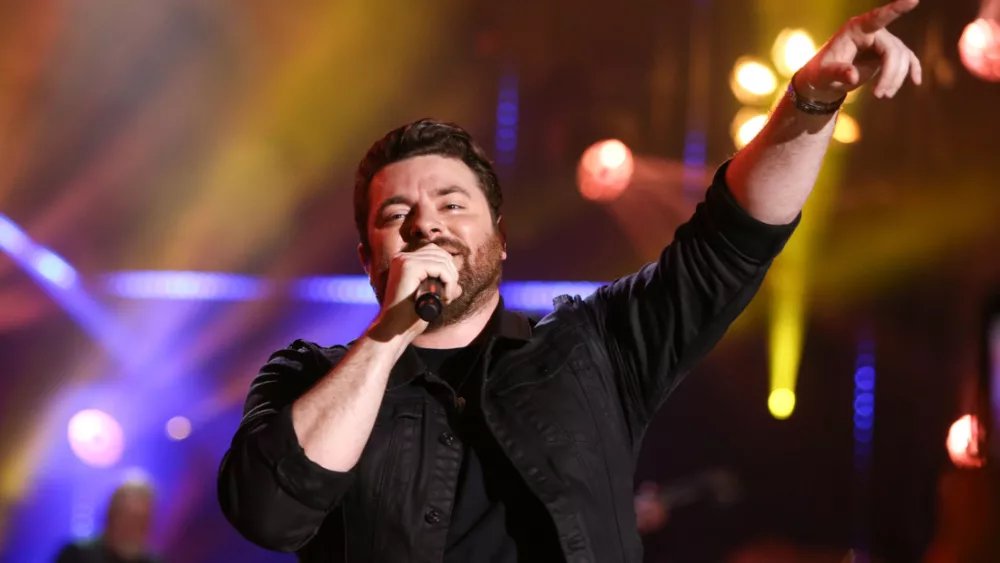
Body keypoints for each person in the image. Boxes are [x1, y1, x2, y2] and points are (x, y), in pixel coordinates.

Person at [217, 1, 922, 560]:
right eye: (396, 214)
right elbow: (271, 513)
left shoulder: (594, 349)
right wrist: (388, 335)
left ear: (500, 240)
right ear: (369, 256)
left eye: (452, 205)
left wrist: (810, 99)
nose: (426, 225)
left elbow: (729, 242)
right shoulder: (306, 377)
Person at [54, 479, 161, 563]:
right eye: (128, 519)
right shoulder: (76, 554)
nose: (132, 528)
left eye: (140, 521)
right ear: (111, 516)